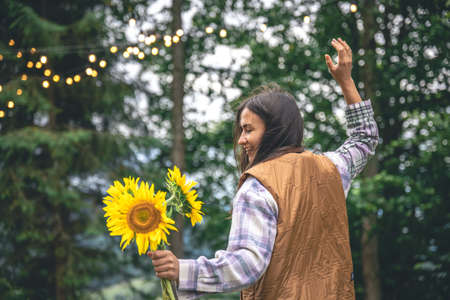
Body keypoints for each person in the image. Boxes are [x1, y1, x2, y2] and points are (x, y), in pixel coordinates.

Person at [148, 38, 379, 299]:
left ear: (274, 131)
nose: (241, 140)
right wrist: (346, 81)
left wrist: (183, 270)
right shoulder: (331, 168)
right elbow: (365, 139)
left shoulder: (258, 186)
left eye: (248, 130)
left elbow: (246, 266)